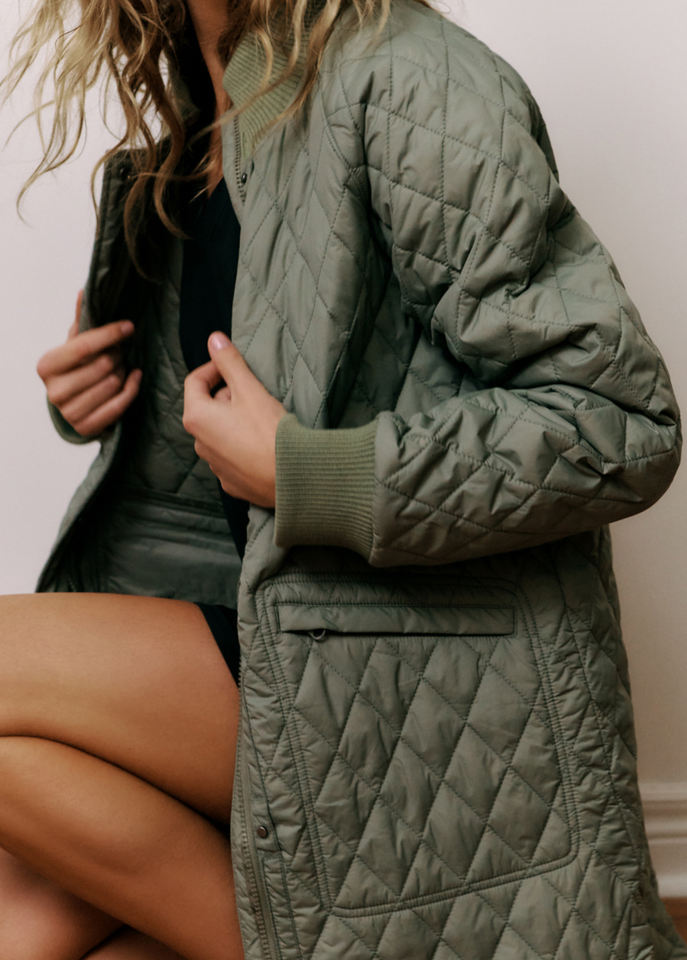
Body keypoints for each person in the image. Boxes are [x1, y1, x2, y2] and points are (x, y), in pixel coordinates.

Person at [1, 0, 685, 957]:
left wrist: (310, 475)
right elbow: (223, 447)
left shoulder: (413, 77)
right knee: (25, 926)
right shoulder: (200, 126)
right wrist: (99, 397)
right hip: (270, 629)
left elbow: (616, 421)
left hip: (395, 668)